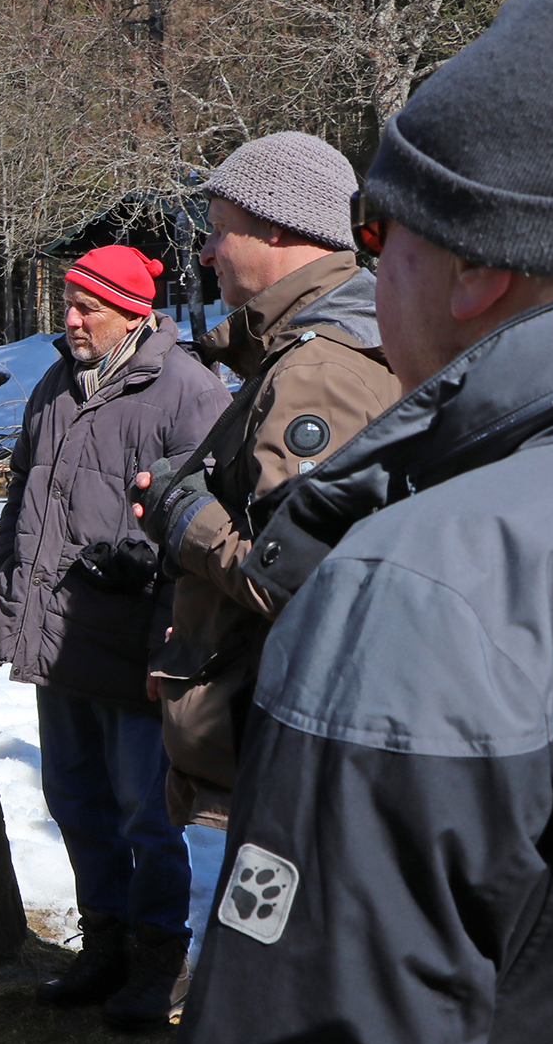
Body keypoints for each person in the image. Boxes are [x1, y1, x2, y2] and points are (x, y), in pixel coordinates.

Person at [136, 0, 553, 1044]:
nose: (362, 265)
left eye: (383, 228)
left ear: (480, 268)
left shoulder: (437, 589)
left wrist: (184, 518)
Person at [0, 244, 227, 1030]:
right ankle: (105, 948)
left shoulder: (188, 391)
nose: (72, 318)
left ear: (134, 311)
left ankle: (161, 959)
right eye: (68, 302)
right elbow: (26, 485)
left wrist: (167, 629)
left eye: (89, 306)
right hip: (58, 638)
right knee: (75, 801)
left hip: (138, 645)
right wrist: (7, 564)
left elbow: (208, 526)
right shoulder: (58, 381)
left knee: (145, 813)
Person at [130, 132, 399, 828]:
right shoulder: (317, 347)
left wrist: (182, 516)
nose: (206, 251)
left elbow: (302, 583)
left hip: (286, 774)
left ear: (277, 227)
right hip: (283, 757)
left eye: (220, 230)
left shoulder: (317, 374)